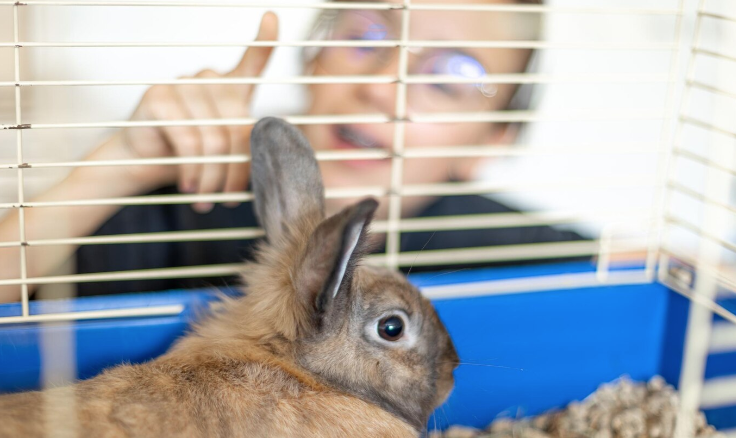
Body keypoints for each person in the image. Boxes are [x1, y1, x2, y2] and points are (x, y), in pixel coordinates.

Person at [0, 0, 583, 303]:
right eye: (365, 37)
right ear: (312, 56)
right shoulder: (169, 206)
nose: (383, 86)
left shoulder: (520, 252)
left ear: (492, 139)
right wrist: (119, 164)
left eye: (452, 76)